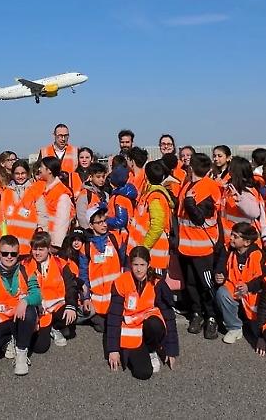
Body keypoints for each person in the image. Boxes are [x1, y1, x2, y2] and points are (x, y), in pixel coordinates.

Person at [105, 246, 180, 380]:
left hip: (150, 327)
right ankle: (143, 350)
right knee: (143, 373)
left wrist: (171, 349)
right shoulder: (121, 282)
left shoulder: (157, 283)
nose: (139, 269)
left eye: (142, 265)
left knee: (155, 324)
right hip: (131, 333)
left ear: (149, 264)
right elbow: (114, 318)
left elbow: (169, 317)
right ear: (130, 265)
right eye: (135, 265)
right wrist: (113, 350)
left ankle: (152, 349)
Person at [0, 235, 42, 376]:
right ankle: (10, 339)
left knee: (30, 312)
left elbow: (37, 295)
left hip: (21, 317)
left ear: (18, 254)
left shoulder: (26, 271)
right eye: (5, 253)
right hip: (2, 319)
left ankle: (21, 354)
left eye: (13, 254)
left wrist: (25, 301)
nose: (9, 257)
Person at [175, 153, 221, 340]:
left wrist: (189, 202)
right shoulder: (187, 185)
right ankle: (197, 313)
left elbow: (199, 217)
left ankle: (211, 317)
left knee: (206, 286)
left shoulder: (209, 187)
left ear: (192, 168)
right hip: (186, 246)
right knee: (191, 284)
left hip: (203, 248)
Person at [213, 222, 266, 345]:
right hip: (234, 287)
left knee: (256, 332)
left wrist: (248, 287)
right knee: (222, 293)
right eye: (232, 234)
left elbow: (263, 279)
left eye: (235, 236)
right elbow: (221, 265)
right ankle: (234, 328)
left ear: (247, 242)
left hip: (252, 292)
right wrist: (220, 274)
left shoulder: (257, 255)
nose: (231, 238)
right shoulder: (228, 249)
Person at [29, 231, 80, 349]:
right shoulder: (26, 264)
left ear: (48, 249)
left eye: (41, 249)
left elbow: (70, 286)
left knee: (71, 318)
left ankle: (56, 327)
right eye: (34, 249)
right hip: (39, 311)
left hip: (57, 307)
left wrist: (71, 305)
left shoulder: (60, 264)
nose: (37, 253)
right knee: (39, 348)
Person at [78, 207, 125, 331]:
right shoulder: (86, 247)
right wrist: (86, 298)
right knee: (102, 327)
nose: (104, 225)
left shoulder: (115, 239)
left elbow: (125, 265)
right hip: (97, 300)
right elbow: (83, 276)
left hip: (116, 298)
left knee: (113, 327)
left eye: (105, 221)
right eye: (100, 222)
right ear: (91, 225)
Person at [127, 160, 173, 274]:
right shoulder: (150, 194)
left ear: (146, 176)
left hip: (154, 251)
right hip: (150, 250)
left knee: (156, 286)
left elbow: (157, 225)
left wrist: (144, 247)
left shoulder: (155, 197)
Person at [0, 161, 40, 257]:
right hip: (11, 244)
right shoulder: (6, 191)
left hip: (29, 241)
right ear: (12, 174)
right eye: (17, 174)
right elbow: (2, 216)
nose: (20, 176)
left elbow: (42, 214)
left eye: (23, 173)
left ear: (28, 173)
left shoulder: (35, 190)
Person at [34, 157, 74, 249]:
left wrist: (56, 244)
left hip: (51, 242)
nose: (39, 169)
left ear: (49, 171)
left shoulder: (62, 193)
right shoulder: (39, 187)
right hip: (40, 239)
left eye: (41, 167)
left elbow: (62, 222)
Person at [219, 157, 262, 235]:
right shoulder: (231, 187)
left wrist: (240, 200)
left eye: (231, 167)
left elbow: (254, 213)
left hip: (243, 238)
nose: (229, 170)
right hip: (232, 236)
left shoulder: (246, 191)